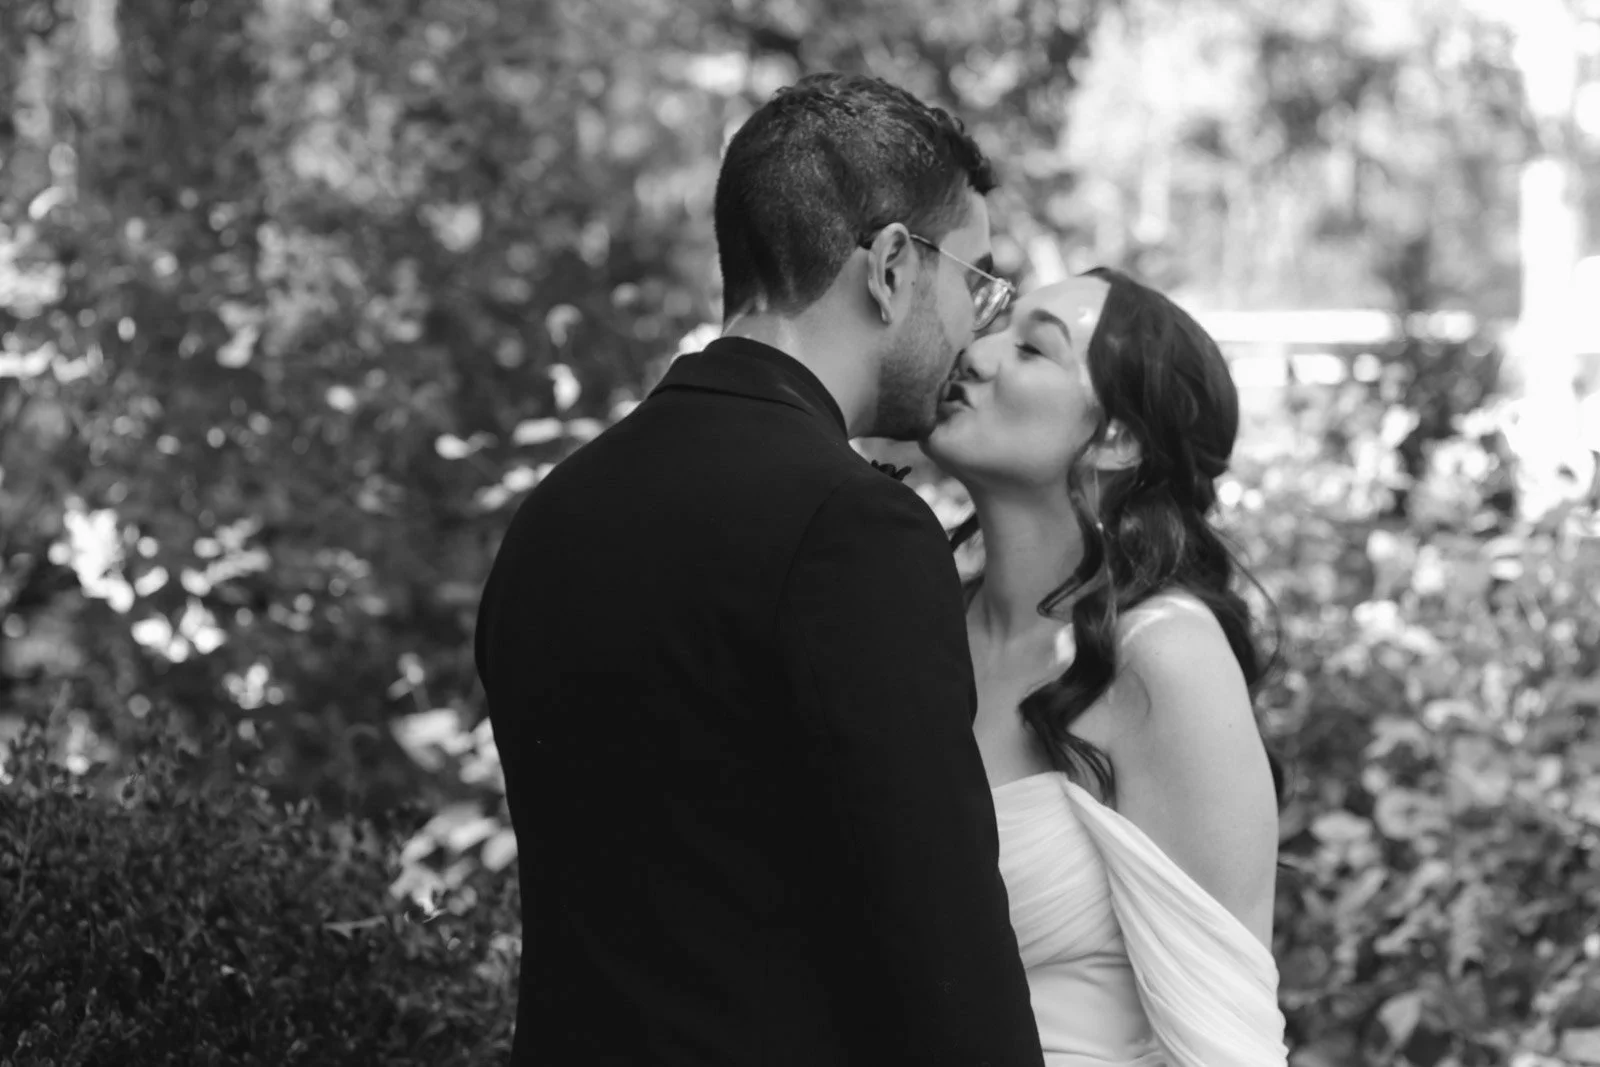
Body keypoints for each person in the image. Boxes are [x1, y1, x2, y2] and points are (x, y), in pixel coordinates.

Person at [474, 73, 1045, 1066]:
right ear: (893, 266)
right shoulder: (853, 529)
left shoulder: (555, 513)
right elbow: (944, 950)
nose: (975, 324)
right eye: (975, 278)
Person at [922, 269, 1290, 1065]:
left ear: (1117, 438)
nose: (976, 356)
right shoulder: (922, 629)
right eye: (993, 328)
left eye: (1031, 347)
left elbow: (1227, 1042)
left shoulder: (1163, 657)